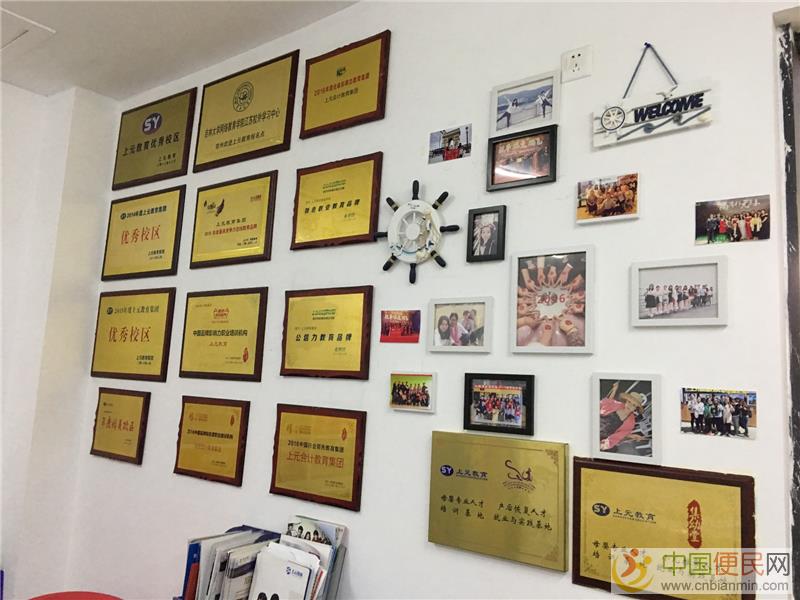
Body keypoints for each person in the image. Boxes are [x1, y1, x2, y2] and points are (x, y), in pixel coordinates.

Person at [598, 382, 648, 452]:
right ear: (626, 401)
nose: (630, 406)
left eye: (633, 405)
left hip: (601, 437)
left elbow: (617, 437)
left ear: (635, 408)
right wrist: (614, 389)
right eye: (629, 402)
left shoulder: (630, 423)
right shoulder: (618, 405)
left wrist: (602, 445)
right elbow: (608, 402)